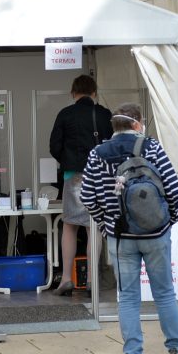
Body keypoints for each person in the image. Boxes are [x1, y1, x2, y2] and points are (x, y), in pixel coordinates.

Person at [80, 103, 178, 354]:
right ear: (137, 123)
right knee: (164, 294)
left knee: (127, 298)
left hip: (120, 237)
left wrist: (105, 225)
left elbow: (88, 197)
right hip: (155, 234)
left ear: (114, 126)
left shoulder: (97, 154)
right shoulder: (152, 147)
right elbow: (172, 189)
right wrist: (168, 220)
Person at [49, 74, 113, 295]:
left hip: (73, 175)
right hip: (100, 178)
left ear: (73, 93)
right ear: (94, 92)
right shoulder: (105, 115)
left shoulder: (66, 114)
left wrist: (68, 161)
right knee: (93, 227)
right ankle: (92, 280)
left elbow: (54, 146)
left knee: (69, 225)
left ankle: (66, 278)